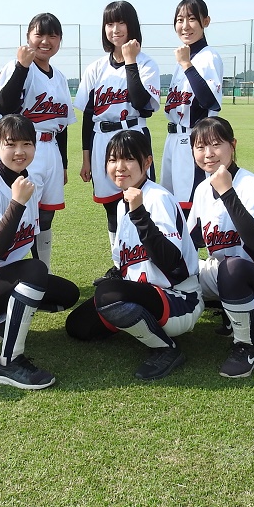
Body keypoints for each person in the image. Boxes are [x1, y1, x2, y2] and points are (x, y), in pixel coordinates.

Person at [0, 115, 79, 390]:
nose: (20, 151)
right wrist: (17, 203)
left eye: (27, 144)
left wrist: (38, 281)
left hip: (0, 277)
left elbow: (29, 238)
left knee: (67, 294)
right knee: (35, 271)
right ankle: (7, 363)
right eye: (10, 144)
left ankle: (2, 318)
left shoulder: (27, 181)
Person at [66, 130, 202, 380]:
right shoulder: (122, 205)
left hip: (179, 298)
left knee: (108, 295)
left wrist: (140, 214)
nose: (119, 167)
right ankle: (136, 321)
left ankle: (166, 348)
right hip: (146, 295)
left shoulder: (157, 198)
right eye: (112, 159)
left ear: (147, 162)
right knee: (78, 325)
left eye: (128, 158)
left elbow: (171, 262)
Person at [185, 117, 254, 377]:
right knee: (183, 272)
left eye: (216, 144)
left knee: (231, 268)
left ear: (232, 145)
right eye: (200, 147)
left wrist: (227, 193)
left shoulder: (251, 184)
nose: (208, 153)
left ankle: (247, 346)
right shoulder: (202, 189)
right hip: (224, 274)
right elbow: (190, 241)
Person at [74, 1, 161, 253]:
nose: (115, 29)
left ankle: (144, 258)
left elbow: (141, 103)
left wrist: (130, 61)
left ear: (132, 26)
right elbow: (88, 116)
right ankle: (119, 262)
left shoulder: (146, 64)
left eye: (121, 22)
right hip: (102, 140)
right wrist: (86, 159)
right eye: (109, 23)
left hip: (133, 135)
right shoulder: (96, 68)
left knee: (140, 202)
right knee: (111, 208)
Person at [0, 13, 75, 268]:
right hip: (24, 147)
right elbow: (4, 106)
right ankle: (6, 271)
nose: (45, 41)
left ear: (60, 40)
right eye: (39, 34)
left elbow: (62, 124)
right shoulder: (17, 67)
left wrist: (64, 164)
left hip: (51, 149)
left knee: (46, 215)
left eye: (53, 36)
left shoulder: (59, 77)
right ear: (28, 37)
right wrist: (21, 67)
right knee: (17, 213)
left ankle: (43, 272)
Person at [161, 0, 223, 211]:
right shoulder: (184, 57)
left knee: (190, 207)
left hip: (193, 139)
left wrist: (187, 64)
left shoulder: (208, 56)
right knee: (171, 205)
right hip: (173, 139)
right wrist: (185, 62)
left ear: (206, 21)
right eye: (180, 20)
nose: (185, 26)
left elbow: (209, 101)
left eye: (192, 19)